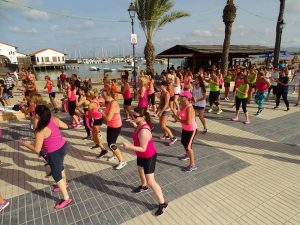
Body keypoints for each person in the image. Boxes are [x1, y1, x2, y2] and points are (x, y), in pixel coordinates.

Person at [20, 105, 72, 209]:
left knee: (56, 175)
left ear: (38, 116)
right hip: (63, 146)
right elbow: (66, 126)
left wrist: (25, 144)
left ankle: (66, 198)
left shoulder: (40, 130)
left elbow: (37, 150)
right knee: (60, 166)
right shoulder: (54, 119)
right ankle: (64, 184)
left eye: (35, 114)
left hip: (54, 153)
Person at [122, 107, 168, 216]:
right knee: (140, 170)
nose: (133, 117)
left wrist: (128, 146)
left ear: (142, 117)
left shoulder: (144, 131)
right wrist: (135, 124)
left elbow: (143, 148)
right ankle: (144, 186)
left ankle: (163, 203)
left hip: (148, 156)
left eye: (135, 116)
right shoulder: (140, 125)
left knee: (151, 181)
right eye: (132, 115)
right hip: (141, 155)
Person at [102, 89, 127, 170]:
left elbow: (108, 118)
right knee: (110, 142)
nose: (103, 97)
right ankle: (114, 155)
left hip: (115, 126)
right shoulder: (108, 102)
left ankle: (122, 161)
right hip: (111, 125)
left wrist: (101, 112)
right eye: (102, 95)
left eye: (104, 96)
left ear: (109, 95)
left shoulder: (113, 103)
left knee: (111, 144)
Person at [174, 91, 198, 172]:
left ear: (187, 98)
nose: (180, 98)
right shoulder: (183, 105)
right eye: (180, 96)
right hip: (185, 129)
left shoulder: (189, 108)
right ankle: (187, 155)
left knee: (188, 147)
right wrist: (176, 115)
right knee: (183, 142)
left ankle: (193, 165)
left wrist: (178, 119)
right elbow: (181, 116)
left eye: (182, 96)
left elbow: (188, 122)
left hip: (192, 129)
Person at [156, 80, 177, 145]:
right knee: (161, 124)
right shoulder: (162, 93)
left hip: (166, 111)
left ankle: (173, 137)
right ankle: (166, 135)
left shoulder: (167, 94)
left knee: (163, 125)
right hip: (162, 110)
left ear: (163, 86)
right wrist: (158, 109)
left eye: (160, 85)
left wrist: (161, 112)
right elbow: (161, 103)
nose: (159, 86)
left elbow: (166, 104)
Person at [88, 89, 107, 156]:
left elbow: (90, 116)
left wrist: (84, 114)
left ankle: (103, 150)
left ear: (89, 96)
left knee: (95, 137)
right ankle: (98, 144)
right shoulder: (96, 99)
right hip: (100, 118)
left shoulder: (90, 105)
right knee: (94, 135)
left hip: (97, 120)